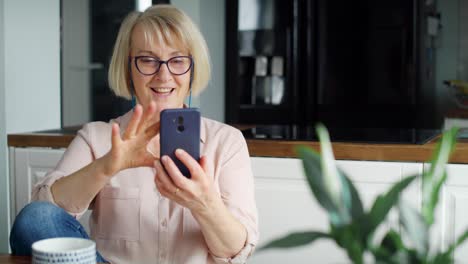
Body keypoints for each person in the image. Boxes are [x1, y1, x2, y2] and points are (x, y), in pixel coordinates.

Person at [9, 4, 258, 264]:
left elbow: (236, 251)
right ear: (128, 67)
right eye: (148, 60)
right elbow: (38, 220)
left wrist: (205, 204)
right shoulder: (97, 137)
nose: (164, 75)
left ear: (192, 67)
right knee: (36, 217)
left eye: (177, 60)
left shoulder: (226, 142)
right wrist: (107, 166)